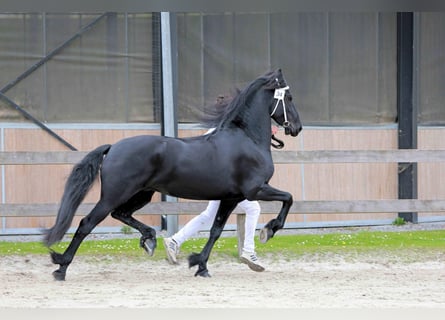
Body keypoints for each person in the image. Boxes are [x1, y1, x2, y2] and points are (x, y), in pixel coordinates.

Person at [163, 125, 279, 272]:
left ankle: (175, 241)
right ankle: (248, 250)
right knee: (252, 208)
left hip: (226, 182)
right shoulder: (226, 131)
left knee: (210, 215)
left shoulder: (226, 129)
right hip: (225, 183)